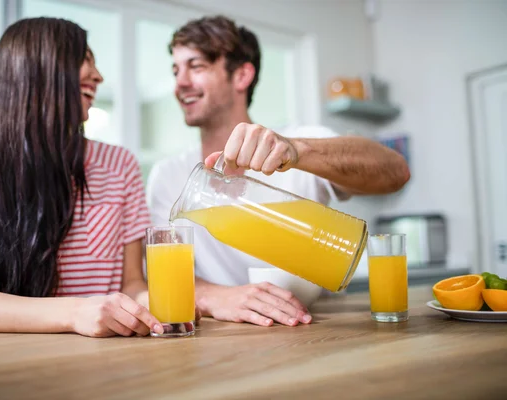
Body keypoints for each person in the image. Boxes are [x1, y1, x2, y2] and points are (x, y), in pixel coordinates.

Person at [146, 15, 410, 328]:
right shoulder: (168, 176)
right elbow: (160, 273)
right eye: (176, 70)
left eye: (197, 66)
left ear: (242, 75)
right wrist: (215, 297)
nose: (180, 83)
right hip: (221, 335)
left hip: (311, 327)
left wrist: (298, 151)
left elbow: (396, 171)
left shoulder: (294, 144)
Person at [0, 17, 165, 338]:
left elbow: (132, 283)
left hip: (106, 361)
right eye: (84, 60)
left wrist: (156, 304)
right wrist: (77, 311)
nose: (99, 76)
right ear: (40, 71)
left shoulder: (120, 165)